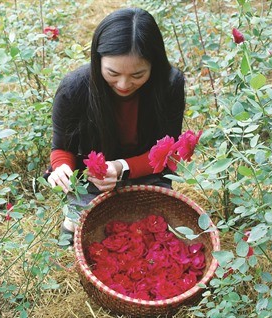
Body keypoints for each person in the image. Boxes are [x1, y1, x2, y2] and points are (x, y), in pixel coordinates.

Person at [46, 7, 185, 244]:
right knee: (85, 230)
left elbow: (168, 154)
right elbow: (62, 148)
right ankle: (71, 224)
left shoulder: (169, 84)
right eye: (112, 73)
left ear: (155, 64)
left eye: (138, 75)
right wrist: (61, 169)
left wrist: (121, 168)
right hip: (93, 180)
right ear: (97, 59)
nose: (123, 84)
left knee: (153, 233)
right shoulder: (74, 89)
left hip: (147, 171)